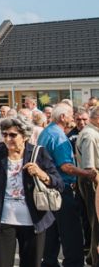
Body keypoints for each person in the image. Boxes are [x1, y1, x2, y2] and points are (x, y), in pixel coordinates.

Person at [0, 115, 63, 267]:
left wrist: (41, 174)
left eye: (12, 134)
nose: (8, 138)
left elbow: (58, 183)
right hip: (2, 220)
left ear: (24, 136)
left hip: (33, 220)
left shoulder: (38, 154)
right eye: (4, 134)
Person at [38, 103, 98, 267]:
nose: (73, 117)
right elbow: (66, 167)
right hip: (61, 189)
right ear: (63, 117)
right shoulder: (58, 136)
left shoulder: (47, 131)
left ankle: (50, 263)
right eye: (71, 114)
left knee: (52, 233)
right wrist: (89, 174)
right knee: (71, 233)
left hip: (49, 189)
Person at [76, 106, 99, 266]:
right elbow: (90, 168)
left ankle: (92, 256)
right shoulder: (90, 135)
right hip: (93, 182)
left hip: (92, 181)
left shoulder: (92, 132)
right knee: (96, 222)